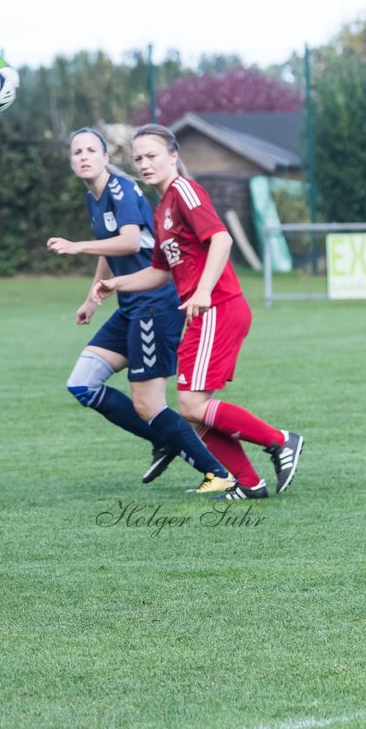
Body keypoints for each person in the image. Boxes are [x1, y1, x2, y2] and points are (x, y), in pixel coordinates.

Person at [93, 124, 304, 499]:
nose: (144, 164)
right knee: (192, 407)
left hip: (218, 307)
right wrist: (115, 284)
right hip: (199, 312)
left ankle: (280, 440)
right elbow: (160, 272)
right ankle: (250, 483)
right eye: (138, 158)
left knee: (191, 403)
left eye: (152, 156)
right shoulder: (161, 211)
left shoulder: (184, 190)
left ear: (174, 156)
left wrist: (204, 290)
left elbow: (221, 238)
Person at [46, 127, 235, 493]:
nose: (83, 157)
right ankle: (162, 437)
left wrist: (76, 247)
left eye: (90, 150)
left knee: (149, 402)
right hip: (130, 304)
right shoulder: (94, 198)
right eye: (76, 152)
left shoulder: (122, 189)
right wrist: (91, 297)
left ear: (106, 157)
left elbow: (130, 240)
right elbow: (110, 248)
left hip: (154, 304)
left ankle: (218, 473)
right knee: (82, 383)